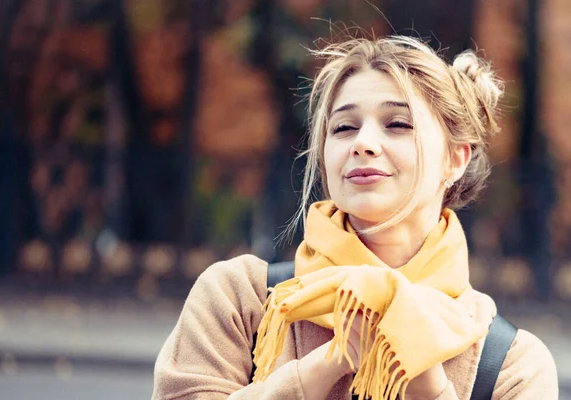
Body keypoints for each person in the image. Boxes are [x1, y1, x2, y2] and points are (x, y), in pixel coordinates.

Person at [151, 36, 558, 400]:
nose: (363, 143)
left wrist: (429, 388)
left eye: (397, 124)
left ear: (455, 158)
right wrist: (324, 365)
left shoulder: (510, 365)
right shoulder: (241, 299)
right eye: (343, 127)